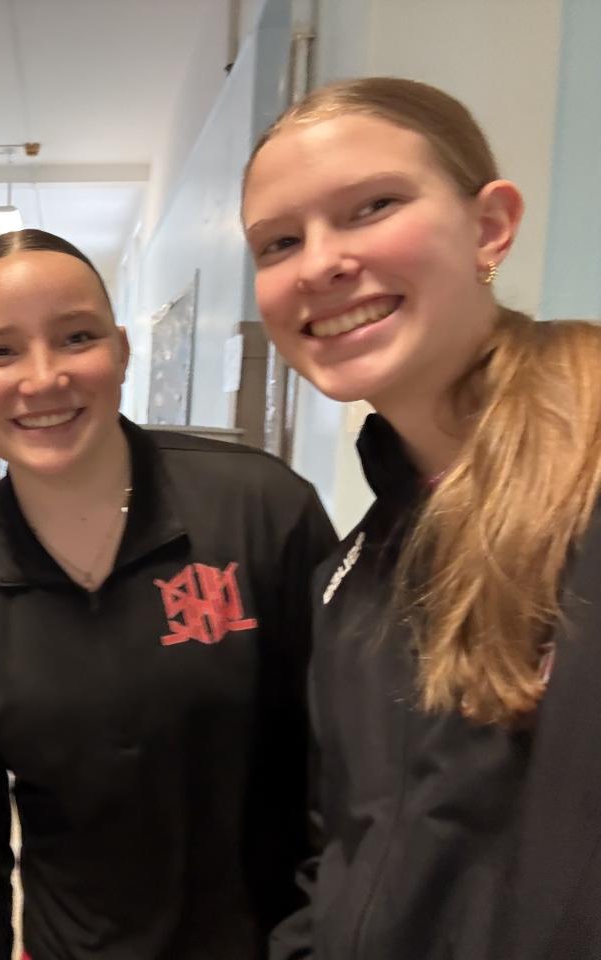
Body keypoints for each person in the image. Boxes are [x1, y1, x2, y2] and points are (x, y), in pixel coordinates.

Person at [0, 228, 338, 959]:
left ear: (123, 350)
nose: (43, 378)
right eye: (0, 351)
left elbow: (348, 766)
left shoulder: (261, 512)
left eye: (76, 337)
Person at [241, 77, 601, 959]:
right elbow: (347, 847)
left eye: (371, 207)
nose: (319, 264)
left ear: (490, 227)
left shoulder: (586, 480)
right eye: (280, 241)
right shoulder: (353, 576)